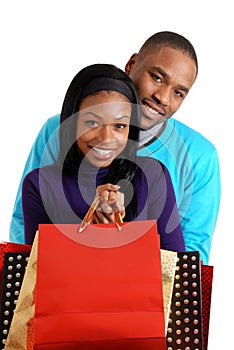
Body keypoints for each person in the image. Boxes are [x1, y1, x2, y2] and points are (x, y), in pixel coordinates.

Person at [10, 31, 220, 264]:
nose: (162, 97)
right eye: (157, 78)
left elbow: (188, 255)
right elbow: (28, 228)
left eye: (178, 92)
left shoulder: (192, 159)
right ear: (131, 65)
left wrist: (119, 236)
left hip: (145, 291)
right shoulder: (55, 133)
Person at [22, 63, 185, 252]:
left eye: (119, 126)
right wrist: (92, 229)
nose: (106, 139)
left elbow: (175, 267)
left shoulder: (153, 176)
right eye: (92, 122)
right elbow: (37, 272)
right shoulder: (40, 185)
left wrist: (118, 229)